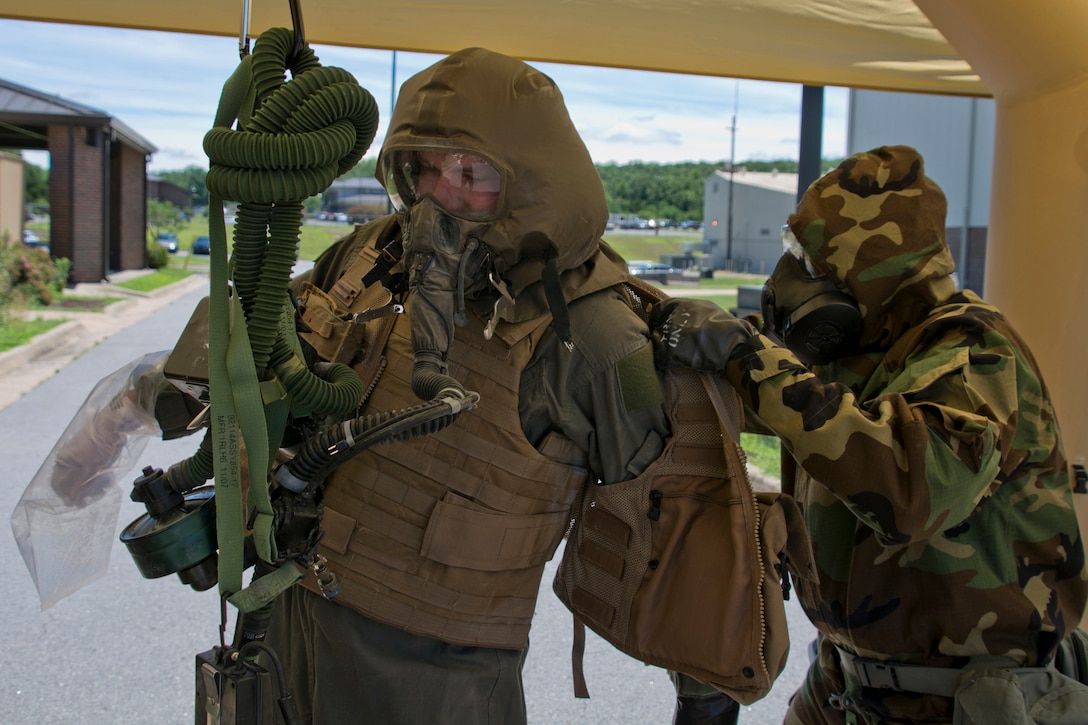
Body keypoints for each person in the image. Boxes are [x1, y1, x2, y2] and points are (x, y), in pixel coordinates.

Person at [263, 47, 678, 723]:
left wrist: (704, 695)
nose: (437, 194)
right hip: (290, 628)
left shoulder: (602, 337)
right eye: (424, 168)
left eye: (467, 171)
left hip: (437, 680)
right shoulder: (373, 255)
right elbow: (272, 342)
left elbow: (674, 514)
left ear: (535, 177)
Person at [650, 145, 1088, 724]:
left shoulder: (973, 353)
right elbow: (763, 401)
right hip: (845, 683)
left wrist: (749, 360)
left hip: (961, 701)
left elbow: (910, 493)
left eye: (809, 263)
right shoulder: (863, 357)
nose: (788, 279)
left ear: (875, 270)